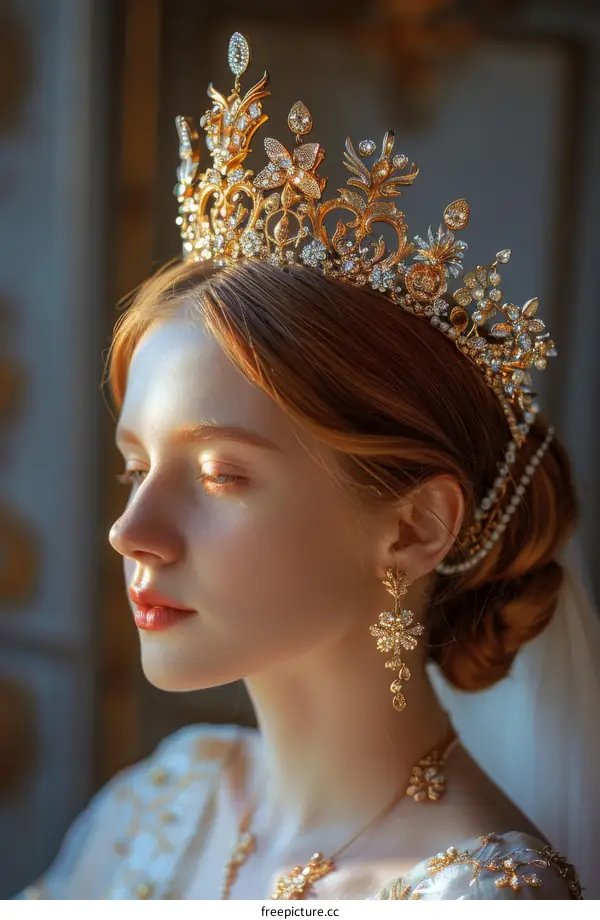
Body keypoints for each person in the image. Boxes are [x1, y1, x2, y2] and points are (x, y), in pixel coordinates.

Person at [15, 32, 599, 901]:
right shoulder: (164, 799)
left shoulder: (483, 898)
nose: (130, 531)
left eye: (220, 475)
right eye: (134, 469)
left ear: (413, 527)